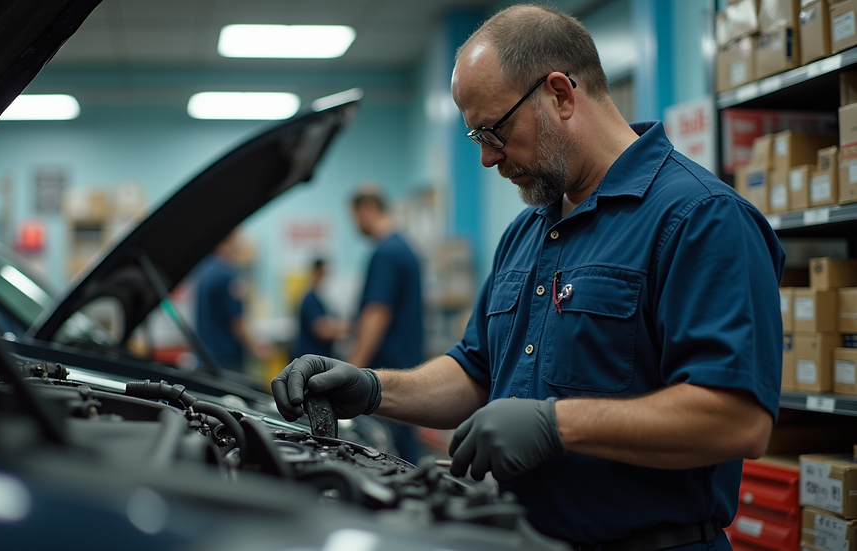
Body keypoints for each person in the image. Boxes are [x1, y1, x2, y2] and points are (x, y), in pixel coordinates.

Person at [272, 5, 784, 551]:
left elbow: (736, 419)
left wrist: (557, 425)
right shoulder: (527, 233)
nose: (489, 158)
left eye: (495, 130)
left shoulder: (700, 219)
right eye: (476, 138)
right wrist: (374, 387)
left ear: (561, 94)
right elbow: (475, 371)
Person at [343, 186, 425, 464]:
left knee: (386, 460)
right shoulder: (404, 248)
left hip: (384, 377)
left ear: (367, 210)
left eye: (353, 217)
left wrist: (350, 371)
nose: (354, 226)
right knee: (404, 457)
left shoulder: (386, 252)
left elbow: (376, 313)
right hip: (404, 371)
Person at [194, 230, 269, 373]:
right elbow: (236, 322)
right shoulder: (227, 275)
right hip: (227, 360)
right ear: (230, 240)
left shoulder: (204, 271)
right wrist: (256, 347)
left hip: (205, 358)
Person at [293, 258, 347, 358]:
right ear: (318, 272)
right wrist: (345, 328)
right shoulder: (310, 299)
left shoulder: (317, 298)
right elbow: (322, 331)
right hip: (312, 360)